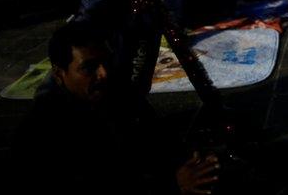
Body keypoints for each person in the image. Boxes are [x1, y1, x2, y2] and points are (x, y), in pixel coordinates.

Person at [13, 22, 220, 195]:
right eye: (89, 67)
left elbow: (158, 137)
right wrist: (173, 185)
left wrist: (196, 164)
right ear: (59, 74)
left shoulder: (118, 95)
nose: (103, 73)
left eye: (106, 62)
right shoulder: (41, 130)